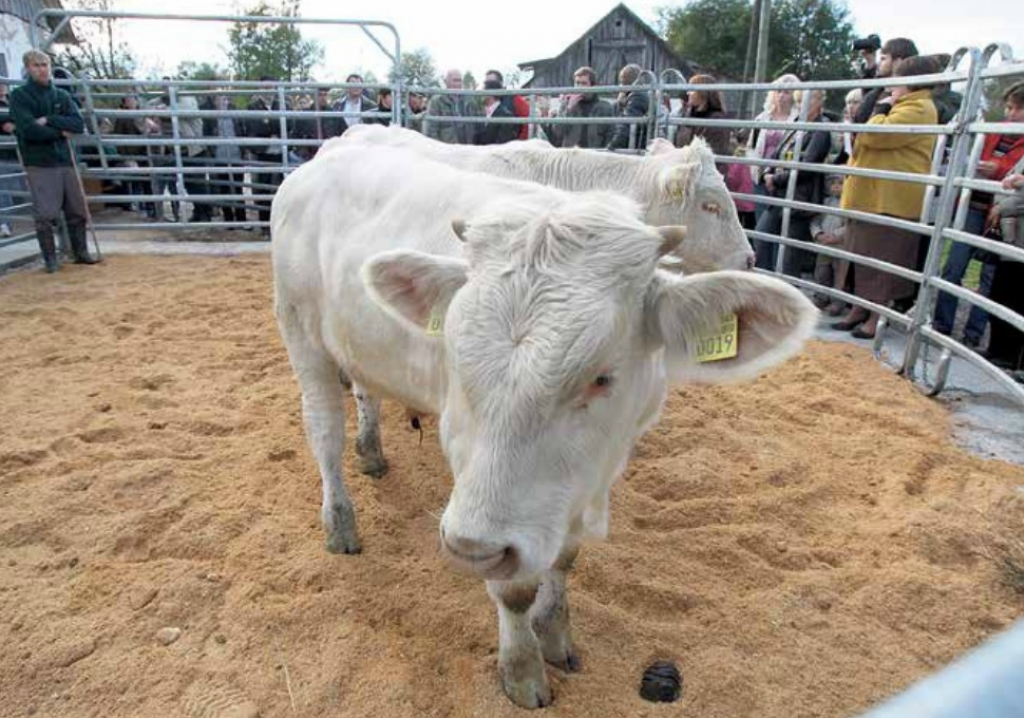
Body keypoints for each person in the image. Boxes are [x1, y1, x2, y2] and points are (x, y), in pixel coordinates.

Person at [833, 56, 938, 339]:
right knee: (859, 257)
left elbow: (875, 135)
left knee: (882, 262)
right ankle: (858, 309)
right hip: (871, 197)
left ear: (912, 82)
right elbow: (861, 131)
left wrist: (880, 107)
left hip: (890, 201)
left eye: (897, 80)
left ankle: (876, 317)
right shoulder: (902, 106)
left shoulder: (919, 108)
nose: (891, 87)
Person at [933, 81, 1024, 349]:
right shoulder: (991, 133)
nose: (1011, 113)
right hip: (974, 205)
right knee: (953, 267)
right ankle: (942, 326)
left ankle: (973, 335)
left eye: (1018, 108)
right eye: (1008, 106)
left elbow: (1011, 176)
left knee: (989, 278)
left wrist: (996, 170)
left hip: (1006, 215)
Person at [9, 49, 94, 273]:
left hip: (66, 159)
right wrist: (59, 132)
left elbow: (77, 124)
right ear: (27, 69)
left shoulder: (62, 96)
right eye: (36, 65)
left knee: (77, 208)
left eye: (45, 64)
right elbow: (28, 130)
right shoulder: (20, 96)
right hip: (40, 161)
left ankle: (81, 252)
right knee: (46, 213)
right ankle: (50, 258)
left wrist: (48, 120)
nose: (42, 69)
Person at [753, 88, 832, 276]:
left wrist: (776, 179)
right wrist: (767, 173)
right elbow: (775, 154)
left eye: (807, 101)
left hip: (799, 200)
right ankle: (764, 283)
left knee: (790, 255)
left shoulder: (821, 130)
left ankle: (786, 292)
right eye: (799, 102)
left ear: (819, 102)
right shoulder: (796, 125)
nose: (801, 106)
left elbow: (807, 166)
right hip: (779, 196)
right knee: (760, 237)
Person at [982, 172, 1024, 376]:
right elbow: (1007, 183)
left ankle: (1011, 355)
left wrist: (1002, 207)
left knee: (1015, 297)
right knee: (1001, 293)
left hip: (1018, 238)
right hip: (1012, 236)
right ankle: (998, 349)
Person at [747, 74, 801, 222]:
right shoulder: (762, 118)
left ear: (794, 96)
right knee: (761, 222)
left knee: (779, 224)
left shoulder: (799, 121)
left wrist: (777, 176)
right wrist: (756, 171)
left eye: (786, 92)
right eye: (779, 91)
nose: (781, 95)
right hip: (760, 178)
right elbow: (751, 147)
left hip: (783, 179)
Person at [110, 93, 159, 218]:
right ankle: (139, 206)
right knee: (137, 182)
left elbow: (155, 130)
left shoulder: (143, 115)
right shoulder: (122, 117)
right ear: (124, 102)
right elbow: (118, 138)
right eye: (129, 99)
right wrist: (125, 157)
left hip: (146, 152)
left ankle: (151, 208)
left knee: (148, 183)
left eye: (133, 99)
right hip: (132, 153)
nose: (132, 101)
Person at [243, 77, 284, 227]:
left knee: (281, 187)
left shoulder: (281, 105)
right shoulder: (252, 107)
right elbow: (255, 128)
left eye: (271, 88)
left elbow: (287, 125)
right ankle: (265, 223)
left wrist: (268, 122)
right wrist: (272, 127)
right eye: (265, 88)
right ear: (259, 89)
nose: (268, 91)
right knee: (262, 187)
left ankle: (279, 222)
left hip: (280, 152)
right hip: (262, 152)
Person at [854, 38, 918, 124]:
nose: (879, 63)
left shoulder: (913, 99)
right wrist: (869, 60)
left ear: (898, 62)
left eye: (883, 59)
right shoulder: (876, 93)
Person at [548, 66, 613, 149]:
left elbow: (610, 134)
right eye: (577, 83)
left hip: (594, 155)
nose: (579, 87)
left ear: (592, 86)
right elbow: (557, 132)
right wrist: (569, 109)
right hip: (572, 155)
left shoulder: (605, 107)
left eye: (583, 83)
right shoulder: (566, 104)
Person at [209, 92, 246, 224]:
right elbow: (207, 135)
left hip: (236, 155)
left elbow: (242, 131)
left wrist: (243, 151)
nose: (223, 102)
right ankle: (229, 220)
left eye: (225, 99)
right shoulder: (211, 116)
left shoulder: (235, 114)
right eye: (220, 99)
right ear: (215, 101)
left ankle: (242, 219)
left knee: (238, 189)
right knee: (224, 189)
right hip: (220, 157)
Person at [673, 74, 730, 158]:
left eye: (692, 90)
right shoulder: (687, 116)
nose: (688, 93)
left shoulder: (717, 120)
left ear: (703, 93)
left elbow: (715, 153)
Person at [424, 69, 481, 144]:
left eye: (460, 80)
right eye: (455, 80)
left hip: (468, 148)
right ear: (446, 82)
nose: (458, 84)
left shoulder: (470, 100)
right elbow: (431, 129)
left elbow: (478, 125)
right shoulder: (437, 101)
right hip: (447, 150)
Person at [606, 63, 650, 151]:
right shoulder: (635, 95)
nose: (620, 86)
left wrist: (611, 147)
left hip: (635, 147)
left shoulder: (638, 96)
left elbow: (626, 124)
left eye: (622, 82)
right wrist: (620, 104)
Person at [0, 81, 22, 238]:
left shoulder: (14, 100)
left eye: (3, 83)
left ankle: (50, 221)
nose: (1, 87)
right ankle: (4, 224)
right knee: (4, 191)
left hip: (20, 152)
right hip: (3, 155)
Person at [484, 70, 529, 140]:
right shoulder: (487, 102)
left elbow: (527, 121)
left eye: (492, 83)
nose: (488, 87)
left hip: (512, 144)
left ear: (500, 83)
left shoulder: (514, 98)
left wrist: (521, 142)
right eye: (486, 84)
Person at [476, 79, 517, 145]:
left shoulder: (505, 115)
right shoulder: (483, 113)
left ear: (489, 93)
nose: (481, 95)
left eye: (483, 91)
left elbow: (503, 142)